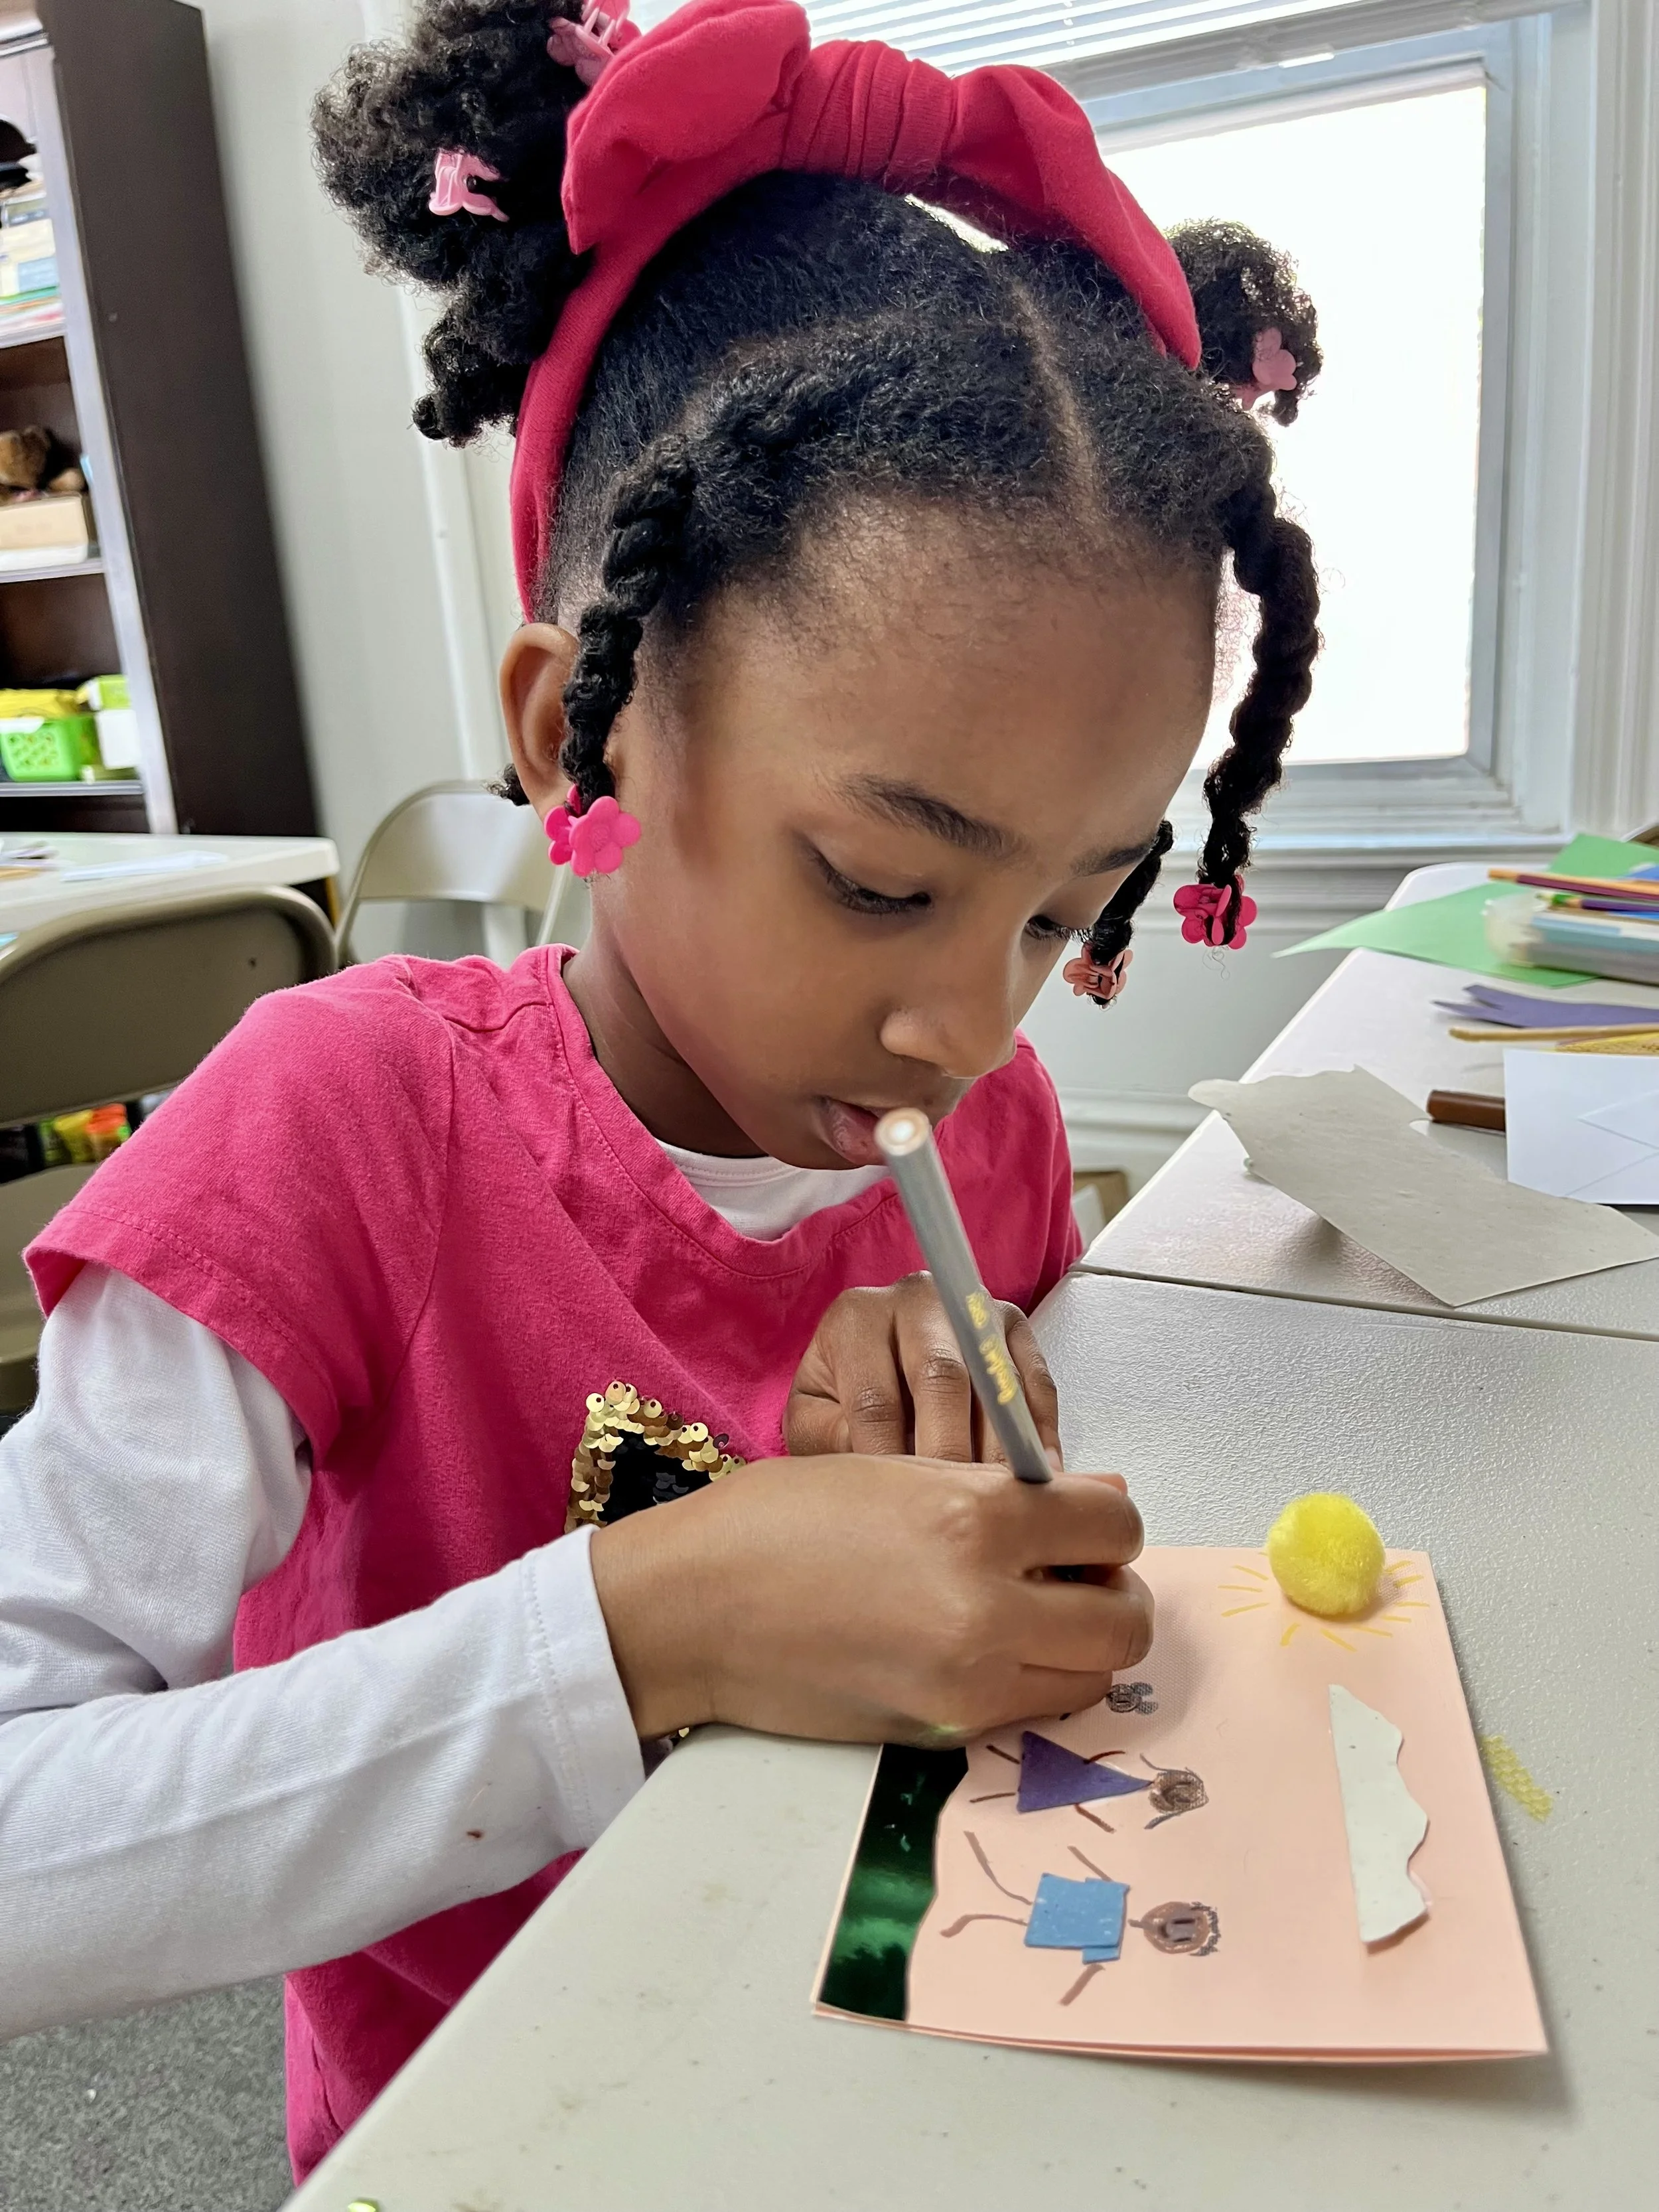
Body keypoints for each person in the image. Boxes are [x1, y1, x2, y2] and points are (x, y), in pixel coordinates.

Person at [0, 0, 1320, 2179]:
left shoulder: (970, 1128)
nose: (966, 1026)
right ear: (574, 735)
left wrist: (996, 1418)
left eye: (1061, 911)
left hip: (910, 2055)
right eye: (882, 879)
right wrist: (645, 1626)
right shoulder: (339, 1124)